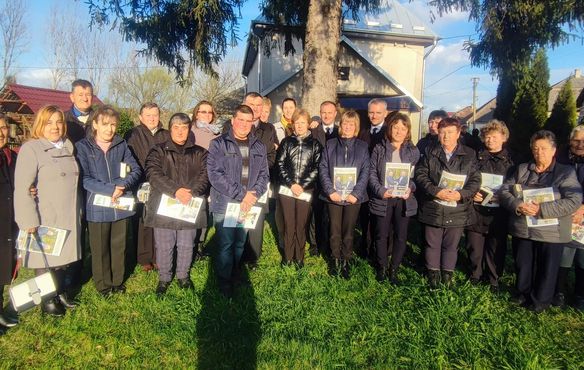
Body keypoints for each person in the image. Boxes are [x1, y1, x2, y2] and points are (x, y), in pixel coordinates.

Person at [500, 130, 582, 312]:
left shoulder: (565, 172)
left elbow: (573, 200)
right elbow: (505, 191)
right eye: (535, 148)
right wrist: (518, 204)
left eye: (544, 148)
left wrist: (542, 209)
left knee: (548, 267)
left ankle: (540, 301)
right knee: (523, 263)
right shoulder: (522, 169)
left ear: (554, 150)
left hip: (551, 230)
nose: (539, 152)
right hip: (523, 227)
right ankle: (522, 293)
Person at [14, 105, 82, 316]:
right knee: (44, 259)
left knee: (62, 258)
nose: (55, 127)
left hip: (68, 213)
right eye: (49, 122)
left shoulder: (68, 148)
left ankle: (59, 290)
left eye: (59, 122)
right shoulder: (31, 149)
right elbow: (23, 188)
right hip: (45, 214)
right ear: (40, 125)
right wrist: (28, 220)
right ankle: (47, 298)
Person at [76, 106, 141, 297]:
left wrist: (122, 186)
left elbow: (135, 170)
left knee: (118, 245)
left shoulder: (121, 145)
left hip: (120, 205)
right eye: (105, 124)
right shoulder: (83, 147)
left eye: (113, 125)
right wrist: (109, 189)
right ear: (95, 124)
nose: (109, 129)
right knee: (100, 248)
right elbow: (84, 178)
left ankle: (117, 281)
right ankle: (103, 285)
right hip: (97, 207)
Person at [207, 105, 269, 297]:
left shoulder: (259, 146)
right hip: (226, 202)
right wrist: (242, 194)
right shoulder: (218, 144)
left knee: (240, 242)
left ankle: (235, 273)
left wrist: (253, 195)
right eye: (240, 120)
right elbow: (215, 175)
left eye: (247, 121)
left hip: (248, 204)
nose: (243, 124)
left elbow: (264, 175)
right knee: (226, 243)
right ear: (233, 121)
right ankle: (225, 281)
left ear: (252, 123)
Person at [145, 113, 209, 295]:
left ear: (189, 130)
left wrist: (192, 192)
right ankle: (164, 278)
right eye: (176, 127)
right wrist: (176, 191)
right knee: (164, 244)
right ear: (170, 129)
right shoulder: (158, 151)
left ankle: (183, 276)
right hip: (165, 205)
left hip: (189, 203)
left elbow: (206, 175)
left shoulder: (200, 152)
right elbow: (153, 173)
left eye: (184, 128)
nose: (180, 132)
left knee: (187, 243)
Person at [414, 117, 481, 288]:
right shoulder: (430, 151)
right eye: (442, 132)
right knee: (432, 243)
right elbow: (421, 175)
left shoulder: (470, 154)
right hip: (434, 205)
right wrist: (437, 191)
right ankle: (433, 274)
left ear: (458, 133)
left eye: (450, 132)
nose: (446, 136)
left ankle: (448, 274)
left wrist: (461, 195)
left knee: (451, 244)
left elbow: (475, 180)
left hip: (457, 207)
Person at [225, 92, 276, 269]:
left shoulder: (268, 129)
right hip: (235, 184)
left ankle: (252, 257)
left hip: (257, 184)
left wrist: (257, 173)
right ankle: (233, 257)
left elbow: (271, 156)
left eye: (258, 105)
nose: (255, 108)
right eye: (251, 104)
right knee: (236, 221)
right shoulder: (229, 125)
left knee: (256, 221)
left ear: (263, 107)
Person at [369, 113, 420, 283]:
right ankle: (382, 267)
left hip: (403, 200)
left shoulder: (413, 151)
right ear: (389, 128)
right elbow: (372, 174)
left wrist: (410, 188)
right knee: (381, 234)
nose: (399, 131)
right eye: (395, 127)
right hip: (384, 198)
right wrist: (380, 190)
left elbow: (416, 177)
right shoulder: (379, 149)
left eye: (403, 128)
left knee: (400, 236)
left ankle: (394, 269)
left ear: (408, 131)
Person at [465, 120, 514, 291]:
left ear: (504, 138)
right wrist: (472, 193)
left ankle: (493, 278)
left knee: (496, 247)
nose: (490, 140)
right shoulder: (474, 157)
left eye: (494, 137)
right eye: (487, 137)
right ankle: (475, 275)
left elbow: (516, 185)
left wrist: (507, 196)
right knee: (474, 247)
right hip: (476, 209)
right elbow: (466, 179)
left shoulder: (511, 162)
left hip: (499, 212)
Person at [319, 110, 368, 278]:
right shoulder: (330, 144)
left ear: (356, 127)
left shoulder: (362, 147)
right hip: (333, 197)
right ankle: (335, 259)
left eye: (351, 124)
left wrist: (356, 193)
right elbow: (323, 169)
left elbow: (365, 172)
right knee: (334, 229)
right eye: (345, 123)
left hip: (353, 198)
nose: (347, 127)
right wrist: (330, 191)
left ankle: (346, 259)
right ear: (341, 125)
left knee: (348, 229)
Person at [276, 108, 323, 267]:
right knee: (289, 223)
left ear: (309, 124)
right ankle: (288, 257)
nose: (300, 126)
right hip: (287, 189)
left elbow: (317, 168)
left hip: (306, 190)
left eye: (303, 122)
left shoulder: (315, 144)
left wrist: (302, 185)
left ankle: (299, 257)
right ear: (293, 125)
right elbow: (280, 164)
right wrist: (292, 184)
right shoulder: (286, 142)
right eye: (297, 123)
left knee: (301, 224)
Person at [125, 102, 168, 272]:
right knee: (142, 221)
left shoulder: (165, 134)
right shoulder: (133, 134)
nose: (152, 118)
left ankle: (158, 256)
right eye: (148, 115)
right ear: (140, 117)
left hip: (161, 183)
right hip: (140, 183)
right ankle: (144, 258)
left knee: (159, 221)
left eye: (155, 115)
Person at [554, 125, 584, 310]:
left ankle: (581, 294)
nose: (580, 144)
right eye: (576, 140)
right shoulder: (560, 160)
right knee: (563, 255)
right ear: (569, 141)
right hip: (564, 212)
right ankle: (559, 291)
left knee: (582, 257)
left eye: (583, 141)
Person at [357, 98, 389, 260]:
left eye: (378, 112)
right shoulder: (362, 132)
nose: (374, 116)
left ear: (385, 113)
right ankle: (366, 247)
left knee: (380, 221)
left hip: (381, 184)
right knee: (365, 217)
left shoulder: (389, 133)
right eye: (371, 112)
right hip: (364, 184)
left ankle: (379, 250)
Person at [191, 100, 221, 258]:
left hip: (213, 177)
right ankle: (193, 245)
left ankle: (201, 244)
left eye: (210, 112)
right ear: (197, 113)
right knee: (196, 210)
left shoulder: (216, 132)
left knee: (206, 211)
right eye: (203, 112)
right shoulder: (192, 131)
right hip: (196, 177)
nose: (207, 115)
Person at [308, 101, 339, 256]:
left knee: (331, 215)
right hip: (316, 179)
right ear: (320, 114)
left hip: (335, 181)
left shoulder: (341, 131)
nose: (326, 115)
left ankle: (328, 244)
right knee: (316, 212)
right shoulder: (313, 130)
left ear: (335, 114)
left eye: (329, 112)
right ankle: (314, 244)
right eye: (323, 112)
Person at [0, 114, 18, 330]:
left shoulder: (10, 156)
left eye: (4, 127)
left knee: (4, 265)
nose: (1, 132)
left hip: (8, 219)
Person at [65, 79, 95, 144]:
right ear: (72, 97)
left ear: (92, 97)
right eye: (80, 95)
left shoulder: (99, 119)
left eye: (88, 95)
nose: (85, 99)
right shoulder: (63, 119)